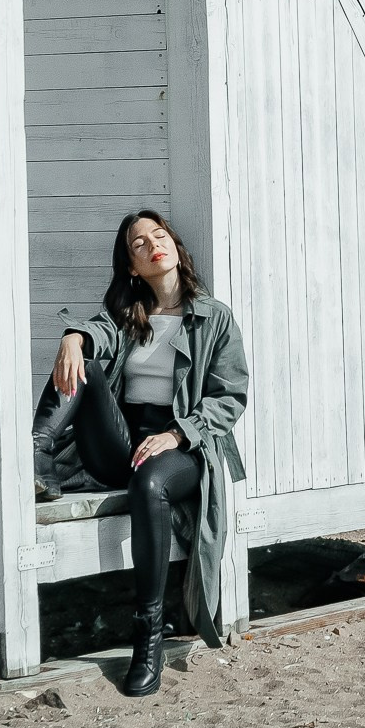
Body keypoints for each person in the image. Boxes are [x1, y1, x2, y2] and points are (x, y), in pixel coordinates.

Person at [31, 209, 249, 696]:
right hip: (124, 445)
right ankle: (35, 454)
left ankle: (147, 633)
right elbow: (97, 331)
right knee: (83, 361)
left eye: (159, 235)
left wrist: (177, 433)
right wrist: (73, 336)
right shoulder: (127, 317)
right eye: (138, 243)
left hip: (185, 449)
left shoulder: (214, 317)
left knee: (150, 482)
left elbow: (230, 396)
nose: (152, 244)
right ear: (132, 266)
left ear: (174, 246)